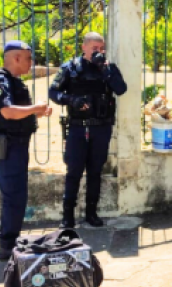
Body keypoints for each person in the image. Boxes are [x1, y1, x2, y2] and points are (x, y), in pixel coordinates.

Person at [49, 32, 127, 228]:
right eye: (95, 49)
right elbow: (53, 91)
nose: (99, 52)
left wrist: (105, 70)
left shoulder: (108, 68)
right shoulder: (71, 68)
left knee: (95, 172)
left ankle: (91, 213)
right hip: (78, 128)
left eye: (102, 49)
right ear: (84, 47)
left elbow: (121, 89)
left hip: (101, 129)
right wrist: (71, 100)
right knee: (74, 171)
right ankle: (68, 216)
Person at [0, 41, 52, 261]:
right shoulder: (0, 81)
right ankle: (7, 245)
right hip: (10, 146)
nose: (31, 63)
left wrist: (36, 113)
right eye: (28, 58)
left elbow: (17, 113)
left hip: (18, 145)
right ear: (15, 58)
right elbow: (7, 112)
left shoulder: (12, 81)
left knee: (18, 196)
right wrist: (35, 108)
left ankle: (11, 242)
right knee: (13, 196)